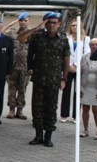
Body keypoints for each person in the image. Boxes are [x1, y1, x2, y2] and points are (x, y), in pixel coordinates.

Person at [19, 11, 69, 147]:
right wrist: (36, 28)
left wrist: (64, 79)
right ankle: (38, 135)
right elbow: (20, 38)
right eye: (49, 22)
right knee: (37, 107)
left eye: (54, 23)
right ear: (45, 24)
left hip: (54, 79)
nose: (51, 25)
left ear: (59, 24)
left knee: (51, 108)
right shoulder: (38, 36)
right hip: (39, 78)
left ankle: (48, 136)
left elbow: (66, 60)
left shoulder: (63, 39)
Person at [61, 19, 89, 123]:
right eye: (72, 25)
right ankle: (64, 114)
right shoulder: (66, 39)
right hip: (68, 69)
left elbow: (86, 54)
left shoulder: (86, 39)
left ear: (81, 27)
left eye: (76, 25)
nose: (74, 27)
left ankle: (76, 116)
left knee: (78, 92)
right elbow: (63, 53)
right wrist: (68, 66)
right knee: (66, 91)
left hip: (79, 69)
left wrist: (76, 66)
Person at [4, 13, 32, 119]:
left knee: (22, 89)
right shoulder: (13, 33)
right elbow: (2, 32)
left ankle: (20, 110)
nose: (23, 22)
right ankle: (11, 109)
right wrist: (12, 23)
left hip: (25, 67)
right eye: (21, 20)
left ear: (29, 21)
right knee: (11, 89)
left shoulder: (32, 34)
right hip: (13, 66)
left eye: (25, 20)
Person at [80, 37, 97, 139]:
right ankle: (85, 130)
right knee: (85, 108)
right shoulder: (84, 57)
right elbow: (80, 74)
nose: (94, 46)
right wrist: (80, 89)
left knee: (96, 110)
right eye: (92, 45)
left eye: (96, 45)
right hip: (85, 87)